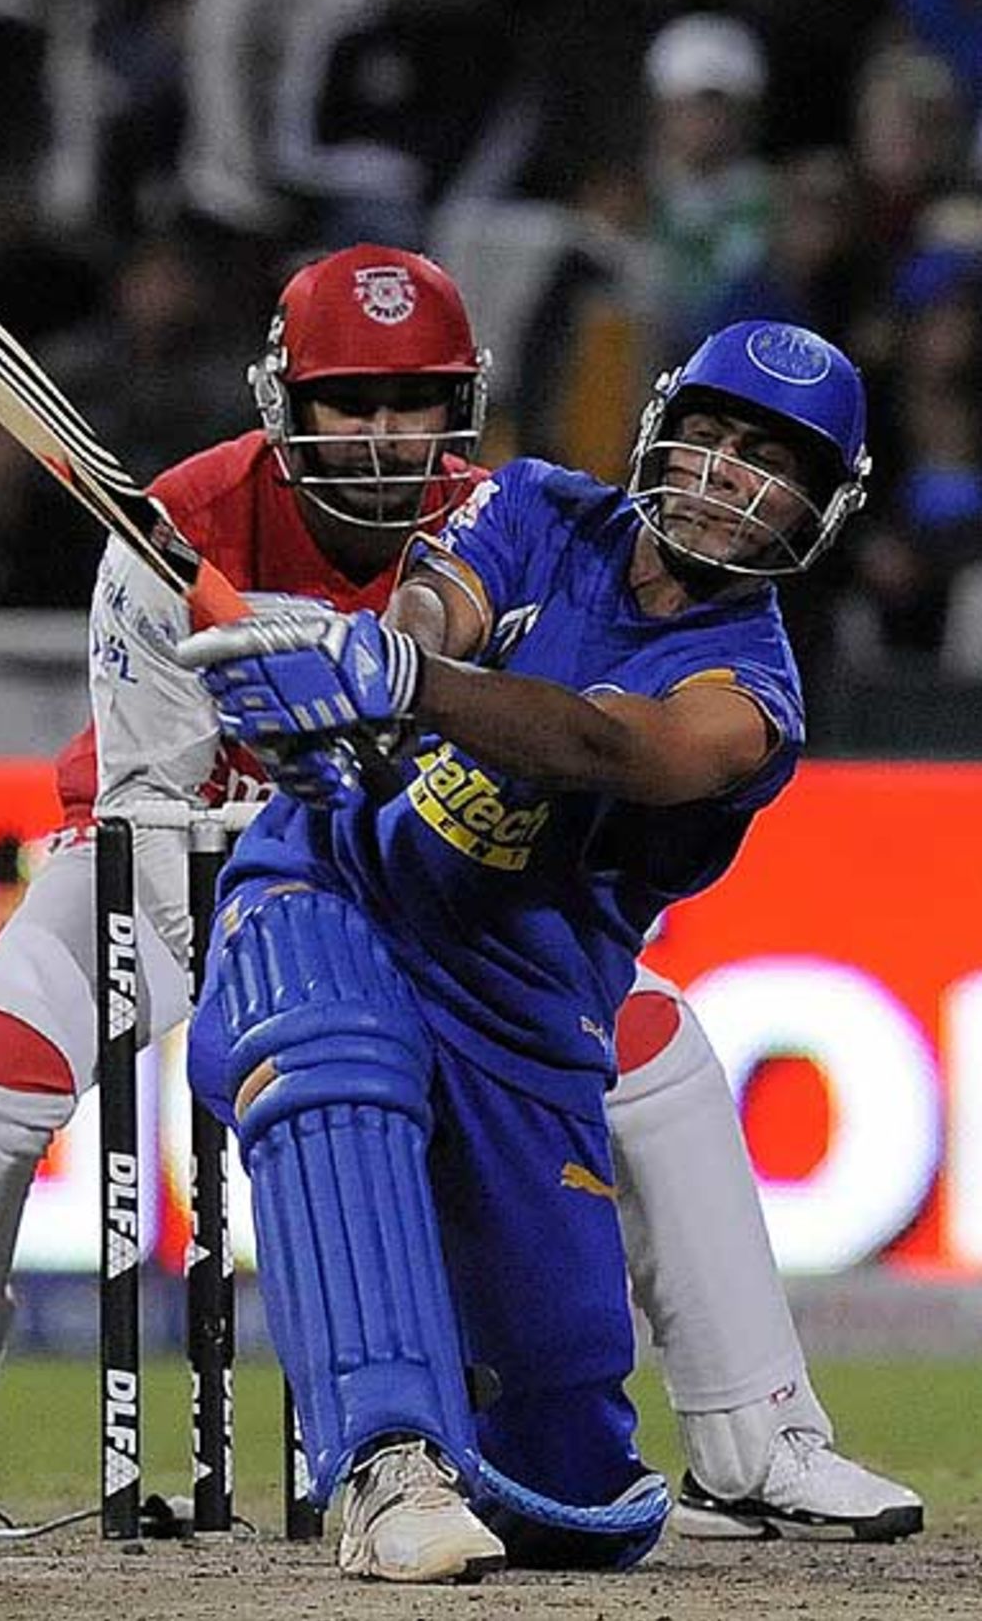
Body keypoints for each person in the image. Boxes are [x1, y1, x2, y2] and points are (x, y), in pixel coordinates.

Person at [0, 249, 921, 1551]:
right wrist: (334, 753)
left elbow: (526, 703)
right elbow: (153, 798)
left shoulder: (511, 510)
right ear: (287, 400)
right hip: (162, 865)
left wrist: (379, 703)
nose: (382, 436)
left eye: (412, 402)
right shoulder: (185, 518)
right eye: (349, 400)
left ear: (456, 407)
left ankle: (758, 1434)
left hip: (422, 874)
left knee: (662, 1054)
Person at [172, 314, 904, 1580]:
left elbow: (609, 745)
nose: (728, 474)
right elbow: (437, 601)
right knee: (330, 1047)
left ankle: (507, 1449)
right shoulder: (532, 505)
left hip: (521, 1023)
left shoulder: (750, 696)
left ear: (820, 508)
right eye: (713, 436)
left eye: (770, 460)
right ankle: (382, 1461)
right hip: (332, 891)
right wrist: (369, 669)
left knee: (569, 1485)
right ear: (658, 430)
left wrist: (393, 680)